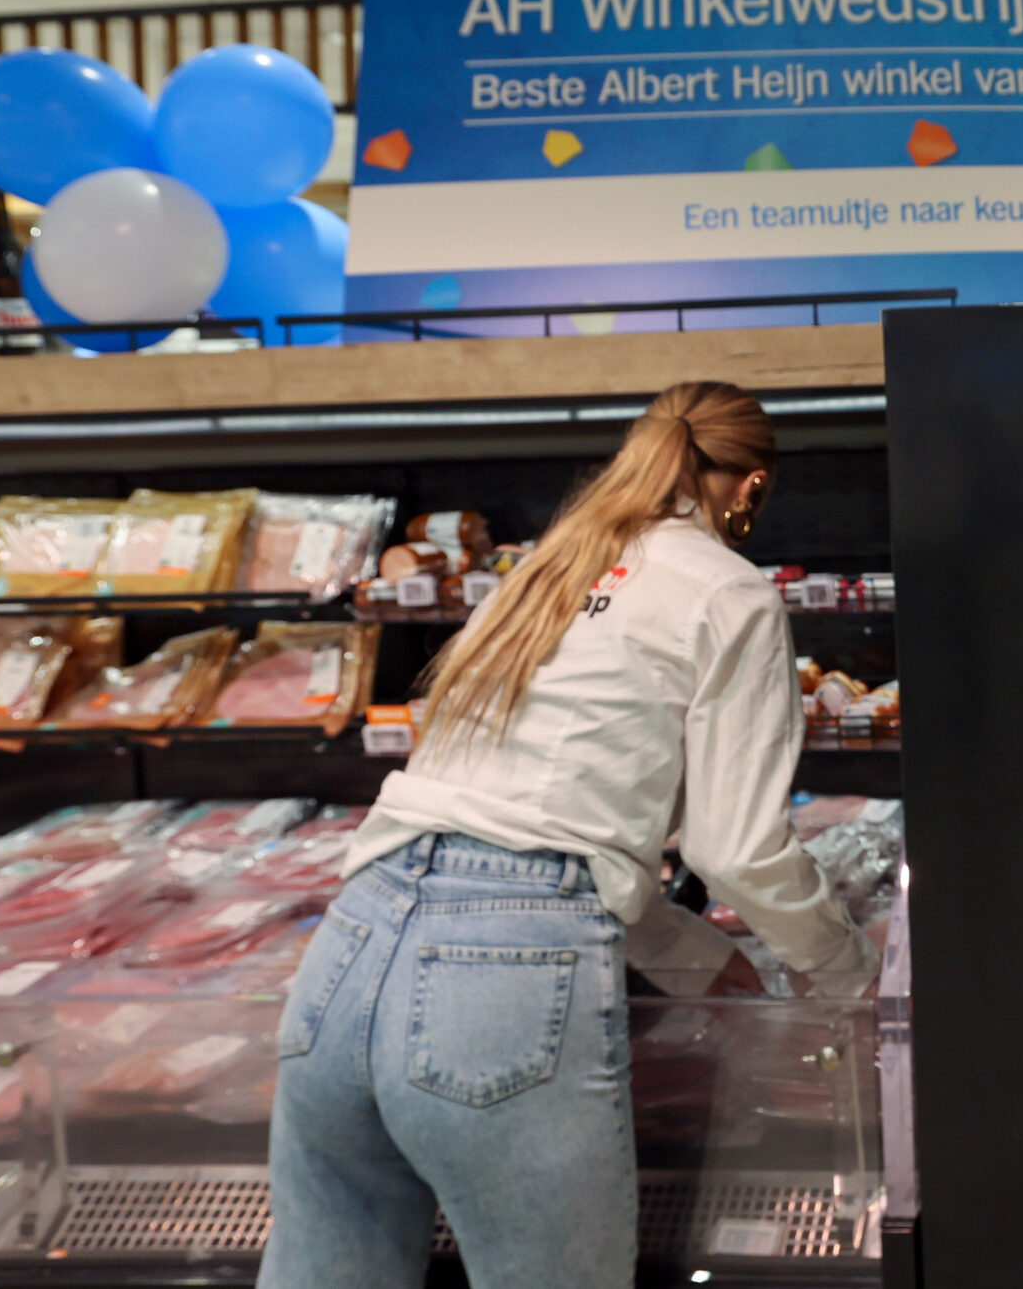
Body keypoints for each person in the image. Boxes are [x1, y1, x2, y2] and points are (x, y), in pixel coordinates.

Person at [259, 382, 876, 1289]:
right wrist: (851, 977)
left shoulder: (553, 565)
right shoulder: (727, 590)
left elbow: (524, 818)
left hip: (350, 944)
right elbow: (733, 848)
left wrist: (697, 958)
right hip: (500, 986)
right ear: (748, 489)